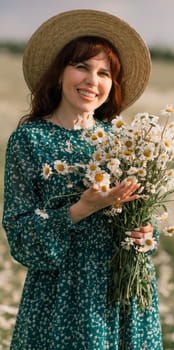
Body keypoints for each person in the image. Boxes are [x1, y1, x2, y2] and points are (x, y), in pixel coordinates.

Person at [2, 9, 163, 350]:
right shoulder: (30, 140)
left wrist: (145, 231)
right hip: (62, 299)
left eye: (104, 72)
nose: (93, 81)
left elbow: (140, 213)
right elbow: (21, 238)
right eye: (82, 67)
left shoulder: (122, 141)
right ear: (59, 72)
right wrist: (80, 209)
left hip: (122, 294)